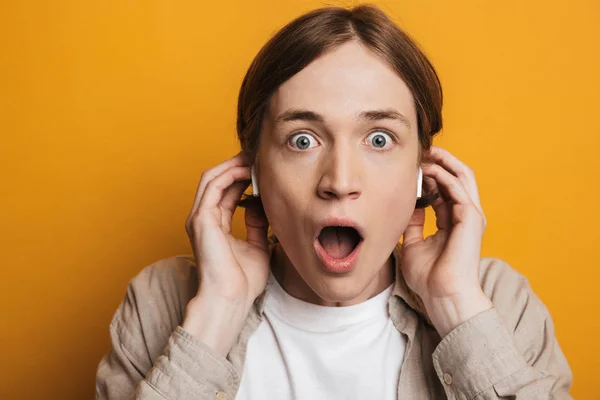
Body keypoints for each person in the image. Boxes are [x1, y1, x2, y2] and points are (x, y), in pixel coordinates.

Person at [95, 4, 573, 400]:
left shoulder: (498, 304)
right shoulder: (165, 301)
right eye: (302, 140)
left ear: (421, 173)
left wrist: (454, 304)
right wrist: (216, 312)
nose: (340, 181)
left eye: (380, 139)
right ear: (253, 171)